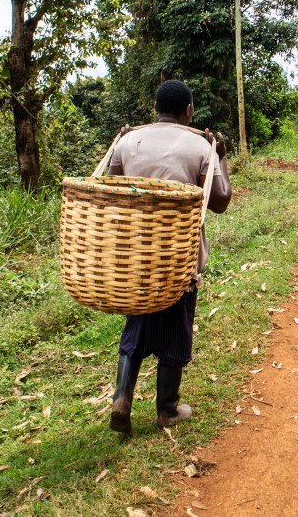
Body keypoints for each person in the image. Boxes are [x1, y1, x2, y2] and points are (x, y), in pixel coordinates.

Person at [106, 80, 233, 435]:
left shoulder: (129, 140)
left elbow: (111, 189)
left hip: (136, 253)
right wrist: (220, 153)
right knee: (176, 328)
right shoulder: (200, 145)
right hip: (179, 255)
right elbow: (220, 201)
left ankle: (121, 398)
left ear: (156, 108)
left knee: (138, 321)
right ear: (189, 110)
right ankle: (167, 409)